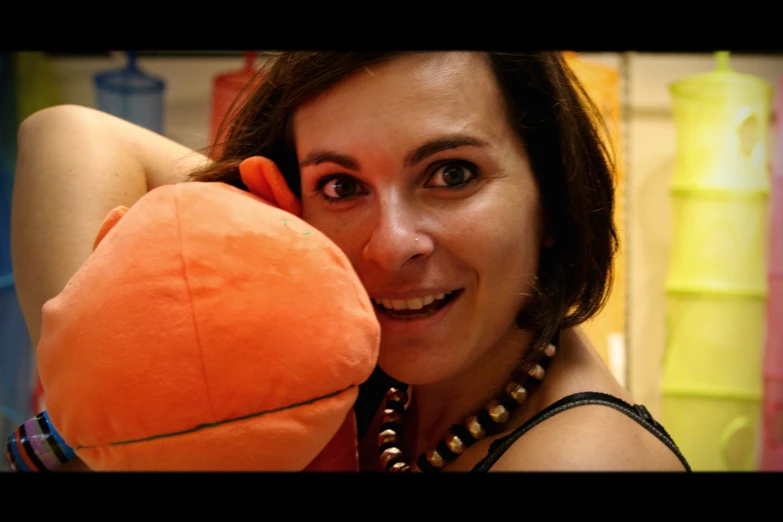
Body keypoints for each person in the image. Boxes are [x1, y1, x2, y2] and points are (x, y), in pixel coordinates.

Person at [11, 51, 690, 471]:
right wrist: (109, 416)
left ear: (550, 194)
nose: (391, 244)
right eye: (341, 186)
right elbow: (69, 135)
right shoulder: (383, 366)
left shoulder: (579, 459)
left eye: (451, 174)